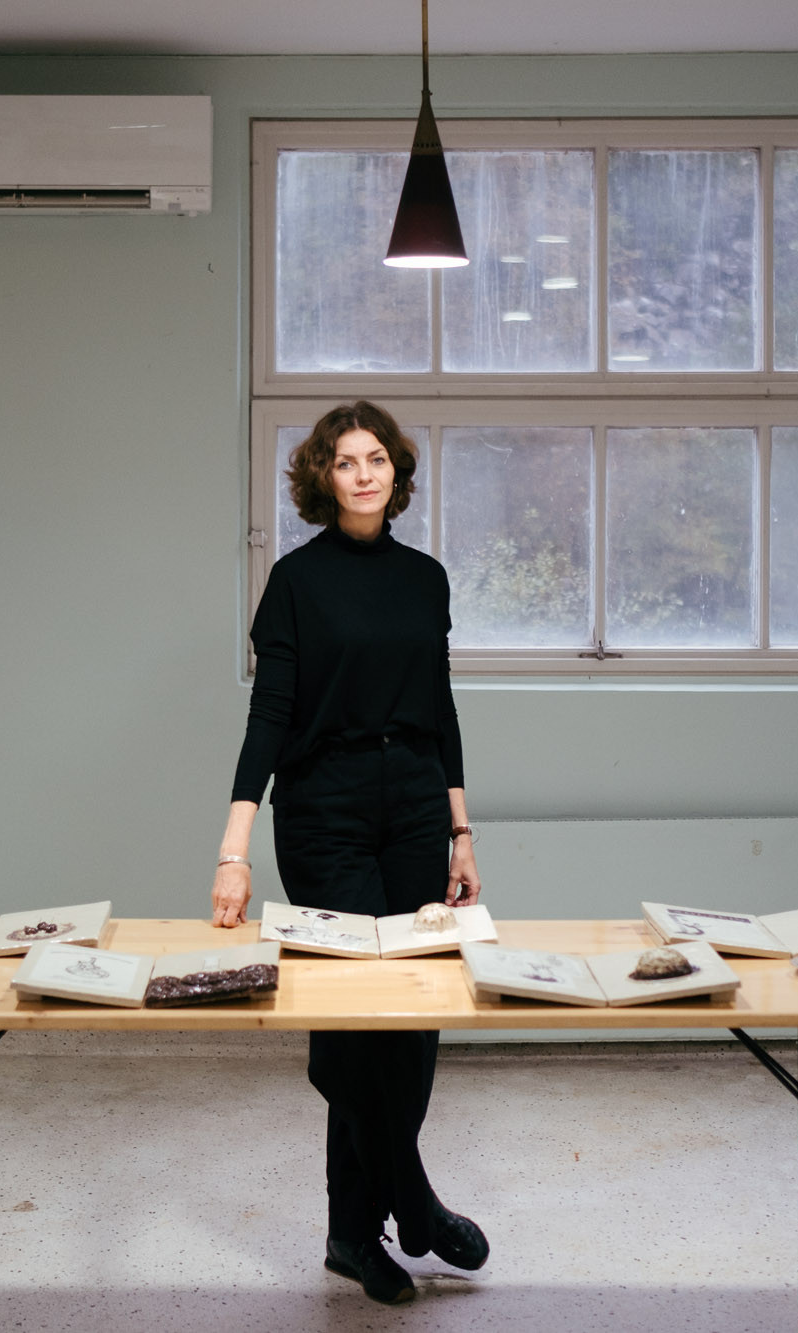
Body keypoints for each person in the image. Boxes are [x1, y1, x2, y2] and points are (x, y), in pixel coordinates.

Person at [210, 400, 487, 1306]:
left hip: (412, 803)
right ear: (322, 478)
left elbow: (441, 709)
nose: (364, 474)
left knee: (413, 1012)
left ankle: (352, 1232)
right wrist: (234, 849)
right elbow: (271, 717)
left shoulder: (425, 578)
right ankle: (404, 1206)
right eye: (345, 461)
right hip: (323, 807)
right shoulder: (295, 582)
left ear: (396, 473)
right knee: (348, 1015)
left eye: (377, 459)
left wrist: (460, 828)